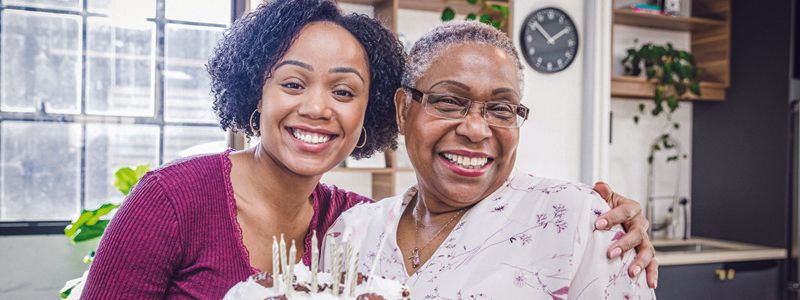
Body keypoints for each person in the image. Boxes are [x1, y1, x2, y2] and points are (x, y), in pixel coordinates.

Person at [82, 0, 653, 298]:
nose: (318, 108)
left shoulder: (344, 225)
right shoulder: (173, 200)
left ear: (371, 111)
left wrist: (610, 218)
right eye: (292, 82)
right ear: (254, 88)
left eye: (344, 91)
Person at [324, 21, 656, 298]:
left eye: (500, 109)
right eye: (450, 101)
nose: (476, 129)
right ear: (403, 110)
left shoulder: (579, 221)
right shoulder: (352, 232)